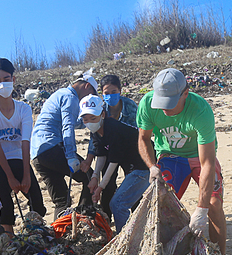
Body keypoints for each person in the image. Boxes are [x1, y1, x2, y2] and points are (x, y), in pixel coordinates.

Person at [136, 68, 227, 254]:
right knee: (162, 207)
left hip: (198, 156)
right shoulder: (147, 104)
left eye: (169, 103)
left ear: (185, 93)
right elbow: (143, 138)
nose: (164, 109)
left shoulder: (200, 110)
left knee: (214, 204)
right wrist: (152, 166)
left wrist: (201, 210)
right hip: (169, 156)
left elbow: (207, 162)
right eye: (160, 103)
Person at [0, 57, 46, 233]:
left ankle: (36, 236)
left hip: (19, 158)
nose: (3, 84)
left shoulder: (24, 109)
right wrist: (10, 177)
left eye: (7, 79)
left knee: (37, 202)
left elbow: (25, 142)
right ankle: (9, 245)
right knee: (6, 207)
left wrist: (26, 175)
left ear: (13, 79)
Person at [30, 74, 100, 220]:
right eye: (91, 94)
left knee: (61, 200)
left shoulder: (59, 94)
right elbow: (67, 127)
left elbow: (75, 121)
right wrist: (71, 156)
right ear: (87, 86)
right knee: (90, 177)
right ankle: (84, 216)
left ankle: (59, 233)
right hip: (52, 147)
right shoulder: (70, 97)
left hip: (37, 153)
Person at [81, 94, 149, 232]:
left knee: (118, 204)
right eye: (85, 119)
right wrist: (95, 176)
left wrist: (100, 187)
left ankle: (123, 239)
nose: (89, 122)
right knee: (121, 203)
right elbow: (101, 155)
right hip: (131, 168)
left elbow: (113, 162)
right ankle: (130, 234)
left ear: (103, 114)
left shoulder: (113, 129)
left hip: (143, 166)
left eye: (93, 118)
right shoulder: (95, 131)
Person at [85, 74, 139, 219]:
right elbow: (96, 142)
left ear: (120, 91)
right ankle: (106, 219)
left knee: (132, 183)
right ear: (102, 94)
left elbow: (135, 131)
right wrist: (93, 169)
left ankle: (137, 218)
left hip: (129, 151)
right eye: (106, 93)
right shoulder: (98, 110)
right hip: (109, 150)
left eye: (114, 92)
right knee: (108, 186)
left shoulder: (130, 106)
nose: (110, 96)